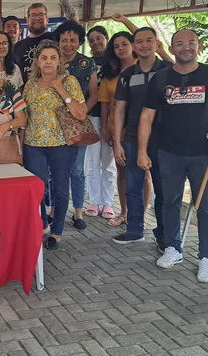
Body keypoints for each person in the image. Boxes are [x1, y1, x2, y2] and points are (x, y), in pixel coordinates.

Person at [138, 29, 208, 283]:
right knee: (169, 201)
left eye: (191, 43)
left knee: (206, 206)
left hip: (204, 153)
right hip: (169, 152)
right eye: (179, 44)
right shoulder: (161, 78)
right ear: (171, 49)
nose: (186, 47)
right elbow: (146, 116)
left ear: (199, 46)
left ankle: (206, 256)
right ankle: (173, 247)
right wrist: (142, 151)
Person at [23, 40, 86, 250]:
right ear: (37, 61)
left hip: (62, 144)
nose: (48, 62)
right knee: (37, 189)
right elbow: (24, 115)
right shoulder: (30, 84)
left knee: (60, 188)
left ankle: (57, 231)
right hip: (34, 144)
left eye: (52, 57)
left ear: (59, 61)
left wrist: (61, 90)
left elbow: (81, 113)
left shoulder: (69, 81)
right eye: (44, 58)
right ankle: (43, 225)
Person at [112, 27, 172, 248]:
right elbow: (119, 109)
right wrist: (117, 142)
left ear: (157, 43)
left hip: (164, 138)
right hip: (133, 137)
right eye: (139, 41)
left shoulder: (168, 69)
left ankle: (164, 234)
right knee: (133, 186)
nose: (144, 45)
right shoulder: (128, 75)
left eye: (149, 40)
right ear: (134, 46)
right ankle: (134, 229)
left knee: (163, 189)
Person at [53, 21, 99, 230]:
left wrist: (82, 112)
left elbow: (94, 93)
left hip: (79, 123)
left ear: (79, 42)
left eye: (73, 40)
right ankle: (54, 209)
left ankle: (78, 211)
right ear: (58, 42)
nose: (68, 44)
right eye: (64, 40)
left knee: (78, 169)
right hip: (54, 123)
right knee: (55, 168)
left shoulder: (87, 63)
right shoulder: (51, 61)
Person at [98, 32, 138, 226]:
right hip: (117, 128)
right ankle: (124, 212)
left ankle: (139, 216)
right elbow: (105, 104)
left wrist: (123, 20)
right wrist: (105, 129)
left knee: (142, 172)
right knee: (122, 172)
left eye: (124, 44)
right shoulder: (110, 73)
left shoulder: (143, 67)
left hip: (141, 128)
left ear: (133, 45)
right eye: (116, 46)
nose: (121, 48)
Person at [13, 0, 79, 83]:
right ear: (27, 20)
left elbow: (74, 23)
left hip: (55, 90)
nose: (37, 18)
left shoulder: (56, 38)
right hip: (27, 91)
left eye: (41, 15)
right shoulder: (17, 47)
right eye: (33, 15)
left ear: (47, 19)